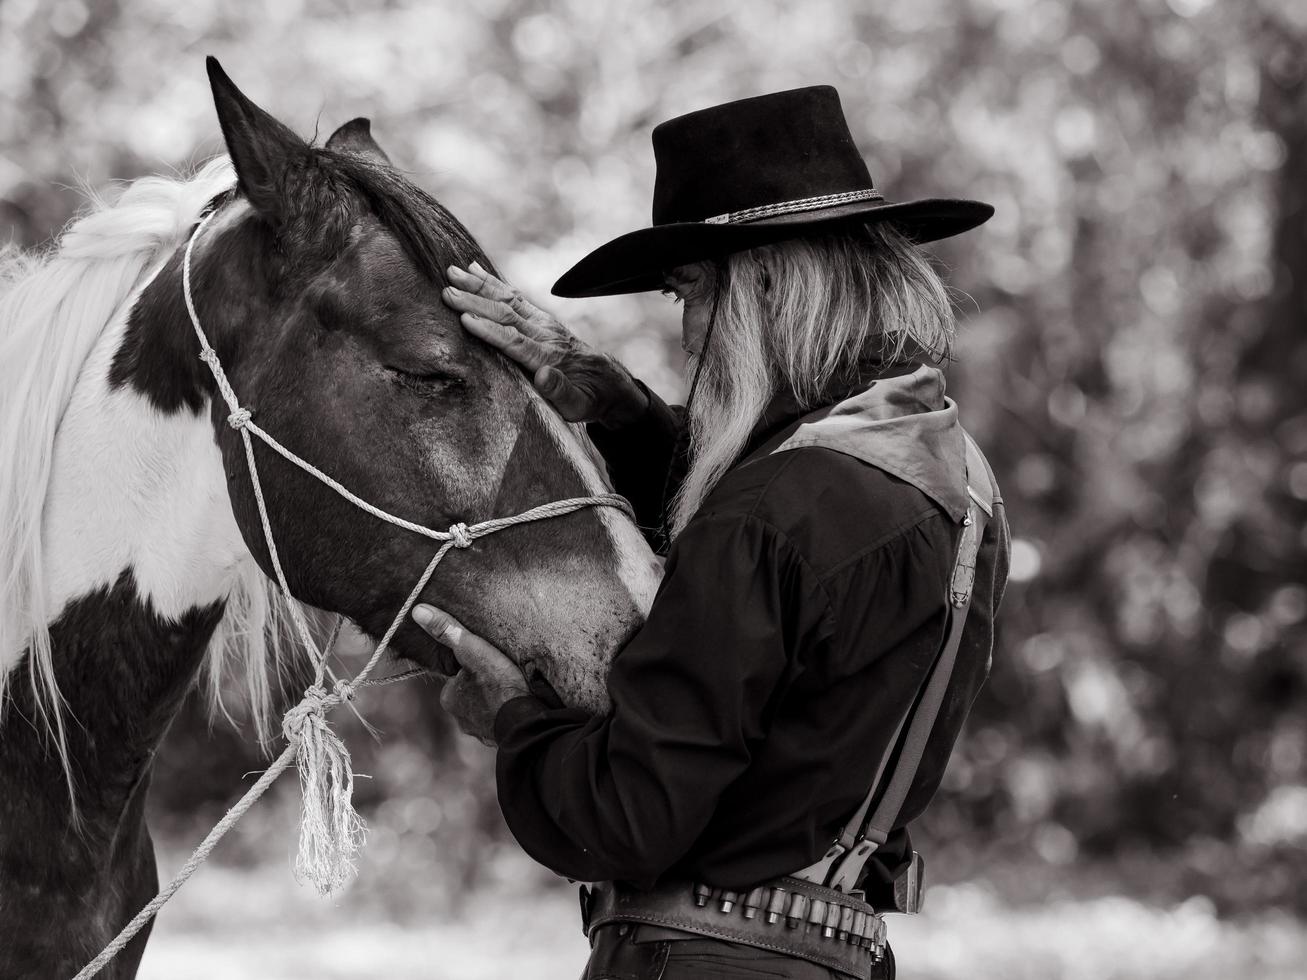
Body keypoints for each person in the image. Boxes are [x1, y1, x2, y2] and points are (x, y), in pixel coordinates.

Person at [411, 86, 1010, 980]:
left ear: (768, 280)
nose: (689, 332)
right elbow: (790, 538)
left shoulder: (773, 514)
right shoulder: (956, 483)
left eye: (690, 291)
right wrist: (611, 402)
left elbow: (624, 818)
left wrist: (514, 717)